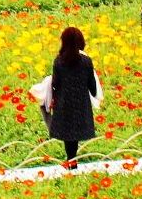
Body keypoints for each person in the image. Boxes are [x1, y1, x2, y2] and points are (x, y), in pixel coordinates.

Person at [42, 25, 101, 166]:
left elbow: (55, 83)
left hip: (64, 104)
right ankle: (72, 161)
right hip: (81, 105)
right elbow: (92, 86)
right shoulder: (86, 61)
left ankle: (71, 161)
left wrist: (53, 98)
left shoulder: (59, 61)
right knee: (75, 135)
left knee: (68, 135)